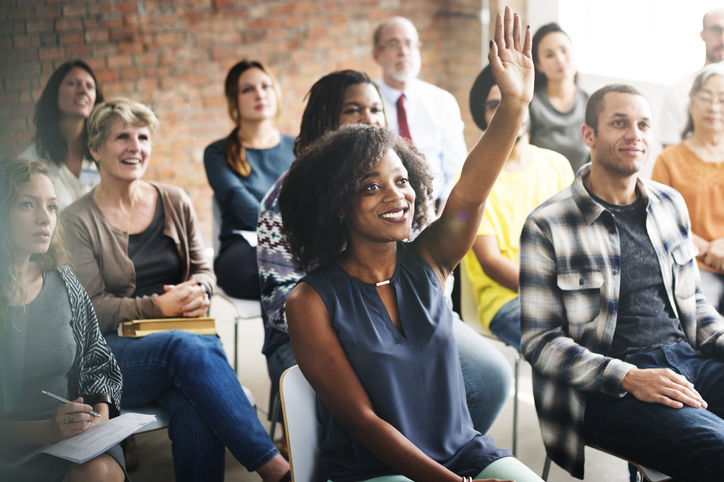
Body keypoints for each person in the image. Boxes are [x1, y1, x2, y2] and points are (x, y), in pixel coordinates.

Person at [280, 9, 542, 482]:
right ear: (338, 204)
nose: (397, 195)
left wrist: (514, 104)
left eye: (402, 180)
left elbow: (471, 193)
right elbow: (362, 422)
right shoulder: (310, 301)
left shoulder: (430, 258)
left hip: (463, 452)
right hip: (375, 469)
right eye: (371, 186)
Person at [257, 70, 511, 436]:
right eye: (353, 110)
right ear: (324, 121)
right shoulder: (285, 202)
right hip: (324, 328)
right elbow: (282, 302)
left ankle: (440, 449)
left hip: (403, 314)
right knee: (384, 396)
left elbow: (456, 216)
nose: (369, 118)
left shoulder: (397, 192)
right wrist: (370, 329)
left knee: (489, 379)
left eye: (376, 108)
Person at [62, 98, 290, 482]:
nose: (135, 146)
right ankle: (277, 469)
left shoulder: (175, 199)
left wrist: (200, 289)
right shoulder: (77, 220)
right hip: (111, 357)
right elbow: (92, 310)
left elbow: (204, 269)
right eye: (122, 137)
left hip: (183, 342)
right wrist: (159, 306)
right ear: (96, 149)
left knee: (191, 397)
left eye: (143, 137)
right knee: (185, 347)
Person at [520, 84, 724, 480]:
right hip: (609, 387)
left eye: (644, 124)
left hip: (688, 359)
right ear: (589, 135)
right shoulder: (548, 224)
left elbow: (695, 304)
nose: (636, 135)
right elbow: (539, 342)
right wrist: (629, 377)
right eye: (619, 123)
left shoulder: (669, 204)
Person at [0, 158, 127, 482]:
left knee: (100, 470)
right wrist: (48, 430)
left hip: (74, 441)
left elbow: (99, 365)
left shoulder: (64, 281)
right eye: (28, 204)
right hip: (13, 450)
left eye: (53, 207)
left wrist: (99, 417)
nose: (45, 218)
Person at [464, 64, 574, 351]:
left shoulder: (557, 164)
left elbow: (576, 238)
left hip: (564, 291)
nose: (508, 111)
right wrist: (554, 292)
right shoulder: (472, 180)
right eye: (494, 105)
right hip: (507, 301)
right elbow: (491, 262)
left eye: (514, 101)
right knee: (568, 351)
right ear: (482, 116)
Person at [204, 60, 294, 300]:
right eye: (248, 89)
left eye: (266, 86)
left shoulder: (298, 147)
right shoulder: (217, 153)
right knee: (266, 268)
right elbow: (240, 203)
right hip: (245, 246)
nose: (259, 94)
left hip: (297, 241)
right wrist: (288, 234)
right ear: (234, 100)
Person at [372, 16, 468, 204]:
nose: (404, 51)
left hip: (436, 207)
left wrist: (445, 214)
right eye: (393, 44)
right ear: (377, 55)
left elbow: (457, 170)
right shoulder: (367, 103)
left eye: (410, 44)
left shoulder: (443, 101)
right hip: (384, 206)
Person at [653, 64, 724, 313]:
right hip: (692, 264)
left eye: (722, 100)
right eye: (706, 98)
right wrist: (709, 250)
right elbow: (659, 220)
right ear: (691, 103)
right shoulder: (669, 159)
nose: (714, 107)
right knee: (703, 321)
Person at [20, 60, 104, 211]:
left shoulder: (104, 152)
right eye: (73, 83)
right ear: (55, 93)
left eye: (90, 86)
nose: (83, 90)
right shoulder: (31, 161)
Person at [659, 8, 724, 148]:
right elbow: (670, 159)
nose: (723, 38)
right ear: (703, 34)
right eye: (716, 29)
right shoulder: (677, 91)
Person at [529, 23, 589, 173]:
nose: (560, 60)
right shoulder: (531, 104)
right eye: (549, 55)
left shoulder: (591, 103)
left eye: (564, 50)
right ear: (538, 65)